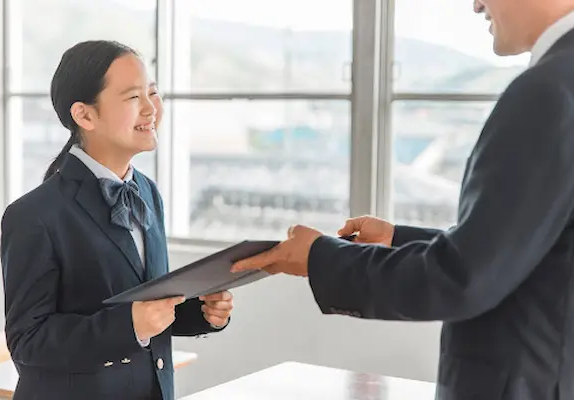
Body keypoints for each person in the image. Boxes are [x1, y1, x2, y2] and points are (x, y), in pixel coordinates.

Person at [232, 0, 574, 398]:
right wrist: (398, 238)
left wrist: (318, 257)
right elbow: (527, 246)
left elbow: (464, 278)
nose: (476, 3)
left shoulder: (547, 91)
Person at [0, 40, 233, 400]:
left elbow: (141, 300)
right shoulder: (32, 215)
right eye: (133, 97)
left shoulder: (148, 192)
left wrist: (198, 312)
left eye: (152, 92)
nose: (151, 108)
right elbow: (28, 342)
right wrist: (130, 326)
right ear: (85, 115)